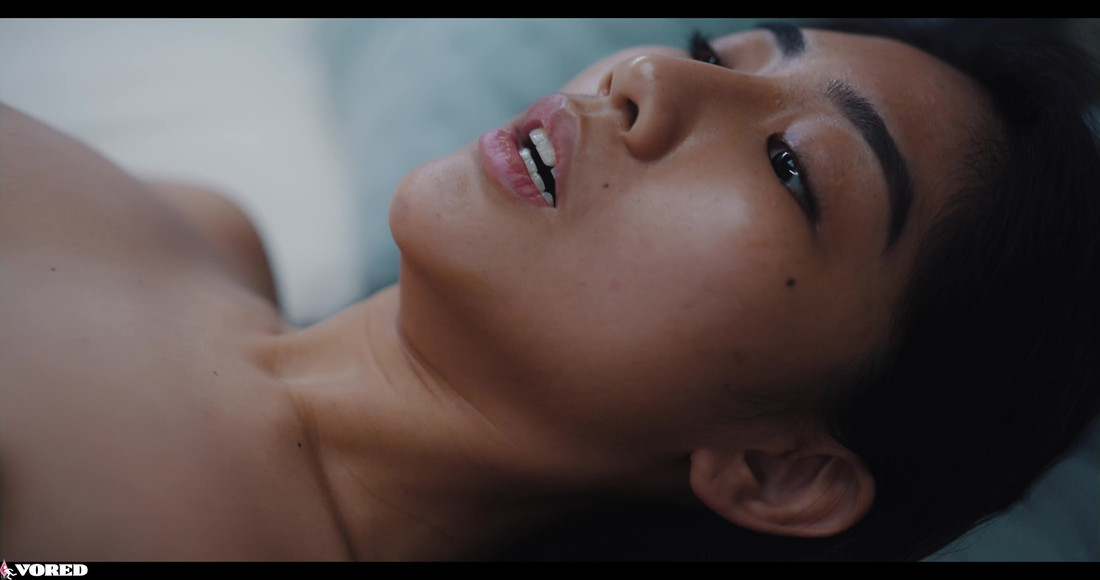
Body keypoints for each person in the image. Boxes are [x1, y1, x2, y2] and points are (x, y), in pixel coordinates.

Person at [0, 18, 1096, 562]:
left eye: (790, 169)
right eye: (717, 53)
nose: (648, 75)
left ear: (780, 470)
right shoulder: (199, 228)